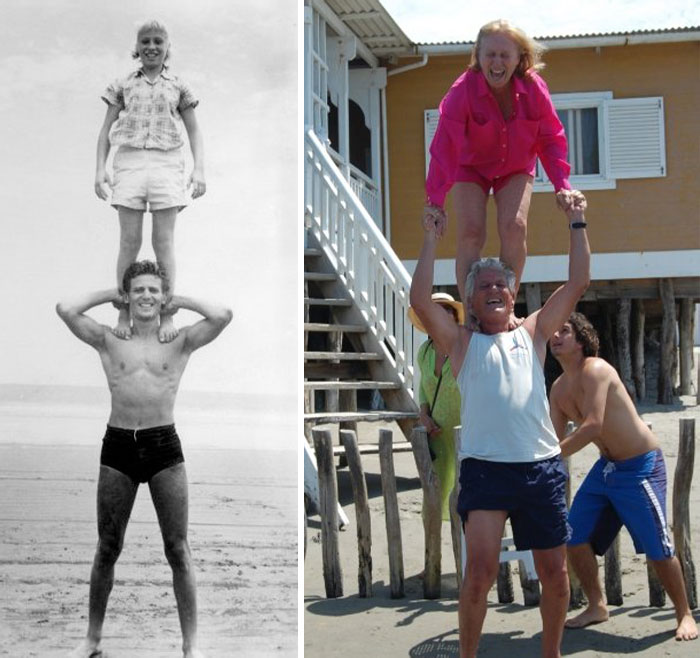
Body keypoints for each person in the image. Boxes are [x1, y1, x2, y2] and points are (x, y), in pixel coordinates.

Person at [410, 189, 590, 658]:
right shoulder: (460, 343)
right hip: (486, 471)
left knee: (555, 576)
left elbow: (577, 282)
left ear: (513, 294)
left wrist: (576, 222)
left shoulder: (533, 332)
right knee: (479, 574)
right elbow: (421, 300)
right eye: (483, 285)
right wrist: (431, 239)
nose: (493, 289)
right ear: (469, 298)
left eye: (500, 284)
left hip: (540, 469)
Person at [57, 260, 232, 658]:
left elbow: (223, 315)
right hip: (118, 446)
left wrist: (178, 302)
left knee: (177, 548)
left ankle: (191, 647)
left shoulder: (181, 340)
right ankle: (92, 640)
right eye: (138, 290)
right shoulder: (108, 339)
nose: (146, 297)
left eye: (153, 290)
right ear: (128, 296)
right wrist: (112, 294)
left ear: (162, 296)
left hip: (163, 447)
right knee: (107, 547)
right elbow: (66, 308)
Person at [548, 313, 698, 642]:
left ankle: (684, 613)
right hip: (608, 468)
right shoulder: (558, 390)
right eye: (553, 331)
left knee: (658, 547)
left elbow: (593, 425)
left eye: (565, 330)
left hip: (640, 465)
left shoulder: (597, 370)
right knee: (573, 536)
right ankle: (597, 605)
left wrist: (552, 455)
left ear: (582, 339)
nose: (556, 335)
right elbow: (552, 439)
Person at [423, 18, 576, 305]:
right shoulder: (463, 90)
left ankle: (505, 308)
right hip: (471, 167)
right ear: (478, 57)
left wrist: (562, 185)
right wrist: (435, 201)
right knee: (471, 232)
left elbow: (551, 137)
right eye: (490, 54)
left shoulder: (534, 88)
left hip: (516, 166)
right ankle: (471, 310)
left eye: (505, 55)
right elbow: (444, 147)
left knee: (514, 226)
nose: (497, 62)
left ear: (519, 59)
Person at [95, 20, 206, 343]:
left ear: (167, 47)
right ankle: (123, 310)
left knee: (164, 242)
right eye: (146, 41)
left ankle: (167, 313)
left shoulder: (180, 86)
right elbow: (105, 131)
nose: (151, 47)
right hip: (129, 160)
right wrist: (100, 169)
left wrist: (199, 170)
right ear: (137, 46)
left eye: (158, 41)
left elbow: (194, 131)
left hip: (167, 161)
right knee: (129, 241)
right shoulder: (122, 84)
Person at [408, 292, 465, 520]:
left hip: (467, 436)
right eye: (435, 312)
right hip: (438, 435)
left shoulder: (465, 347)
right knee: (436, 499)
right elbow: (423, 387)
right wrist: (423, 414)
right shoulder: (425, 351)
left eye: (445, 311)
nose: (440, 316)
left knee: (466, 501)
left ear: (453, 317)